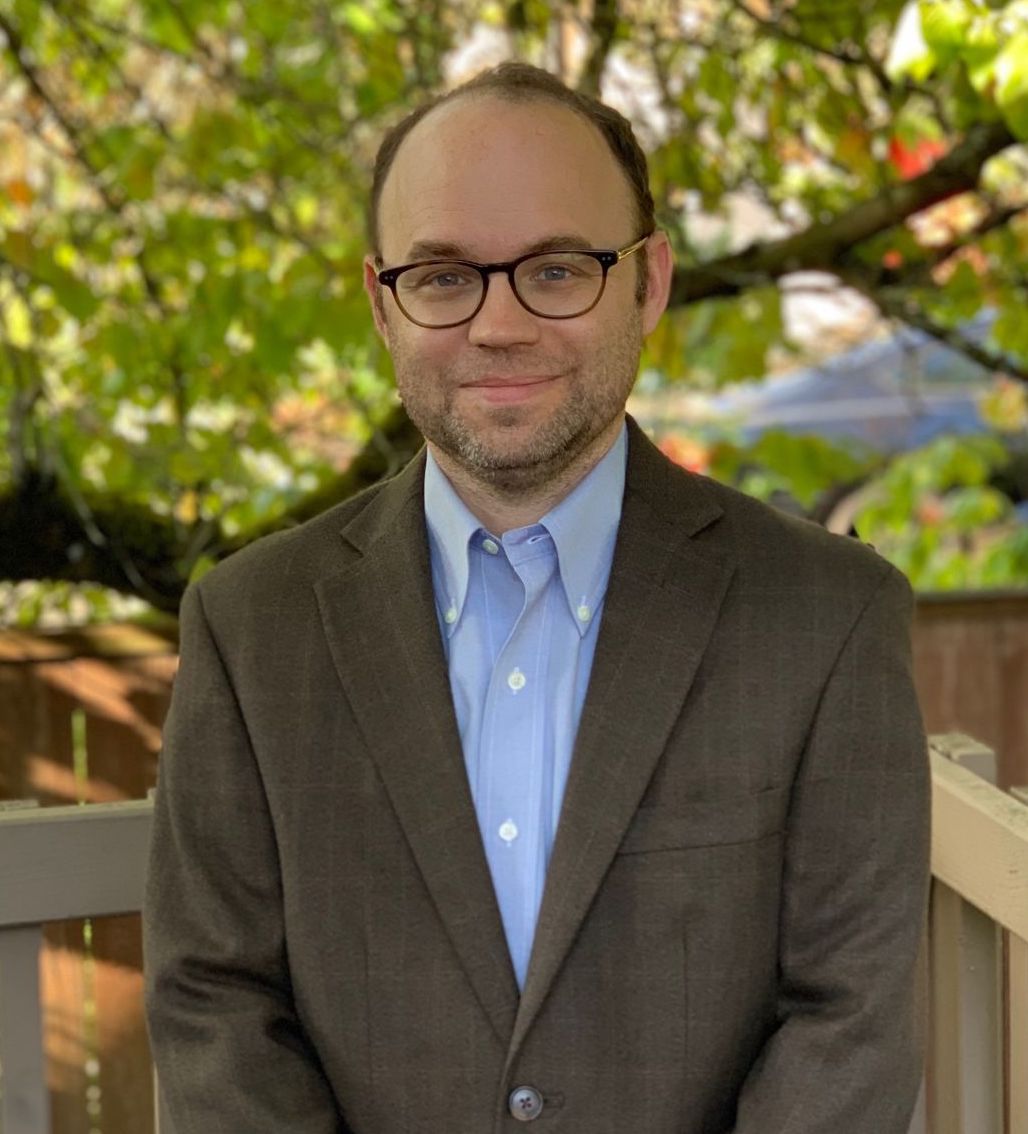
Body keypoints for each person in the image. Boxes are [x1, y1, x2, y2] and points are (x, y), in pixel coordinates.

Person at [144, 62, 929, 1134]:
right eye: (443, 276)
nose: (499, 325)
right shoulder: (249, 629)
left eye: (556, 270)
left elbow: (848, 1020)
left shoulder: (827, 618)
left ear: (647, 283)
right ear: (381, 302)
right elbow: (215, 1006)